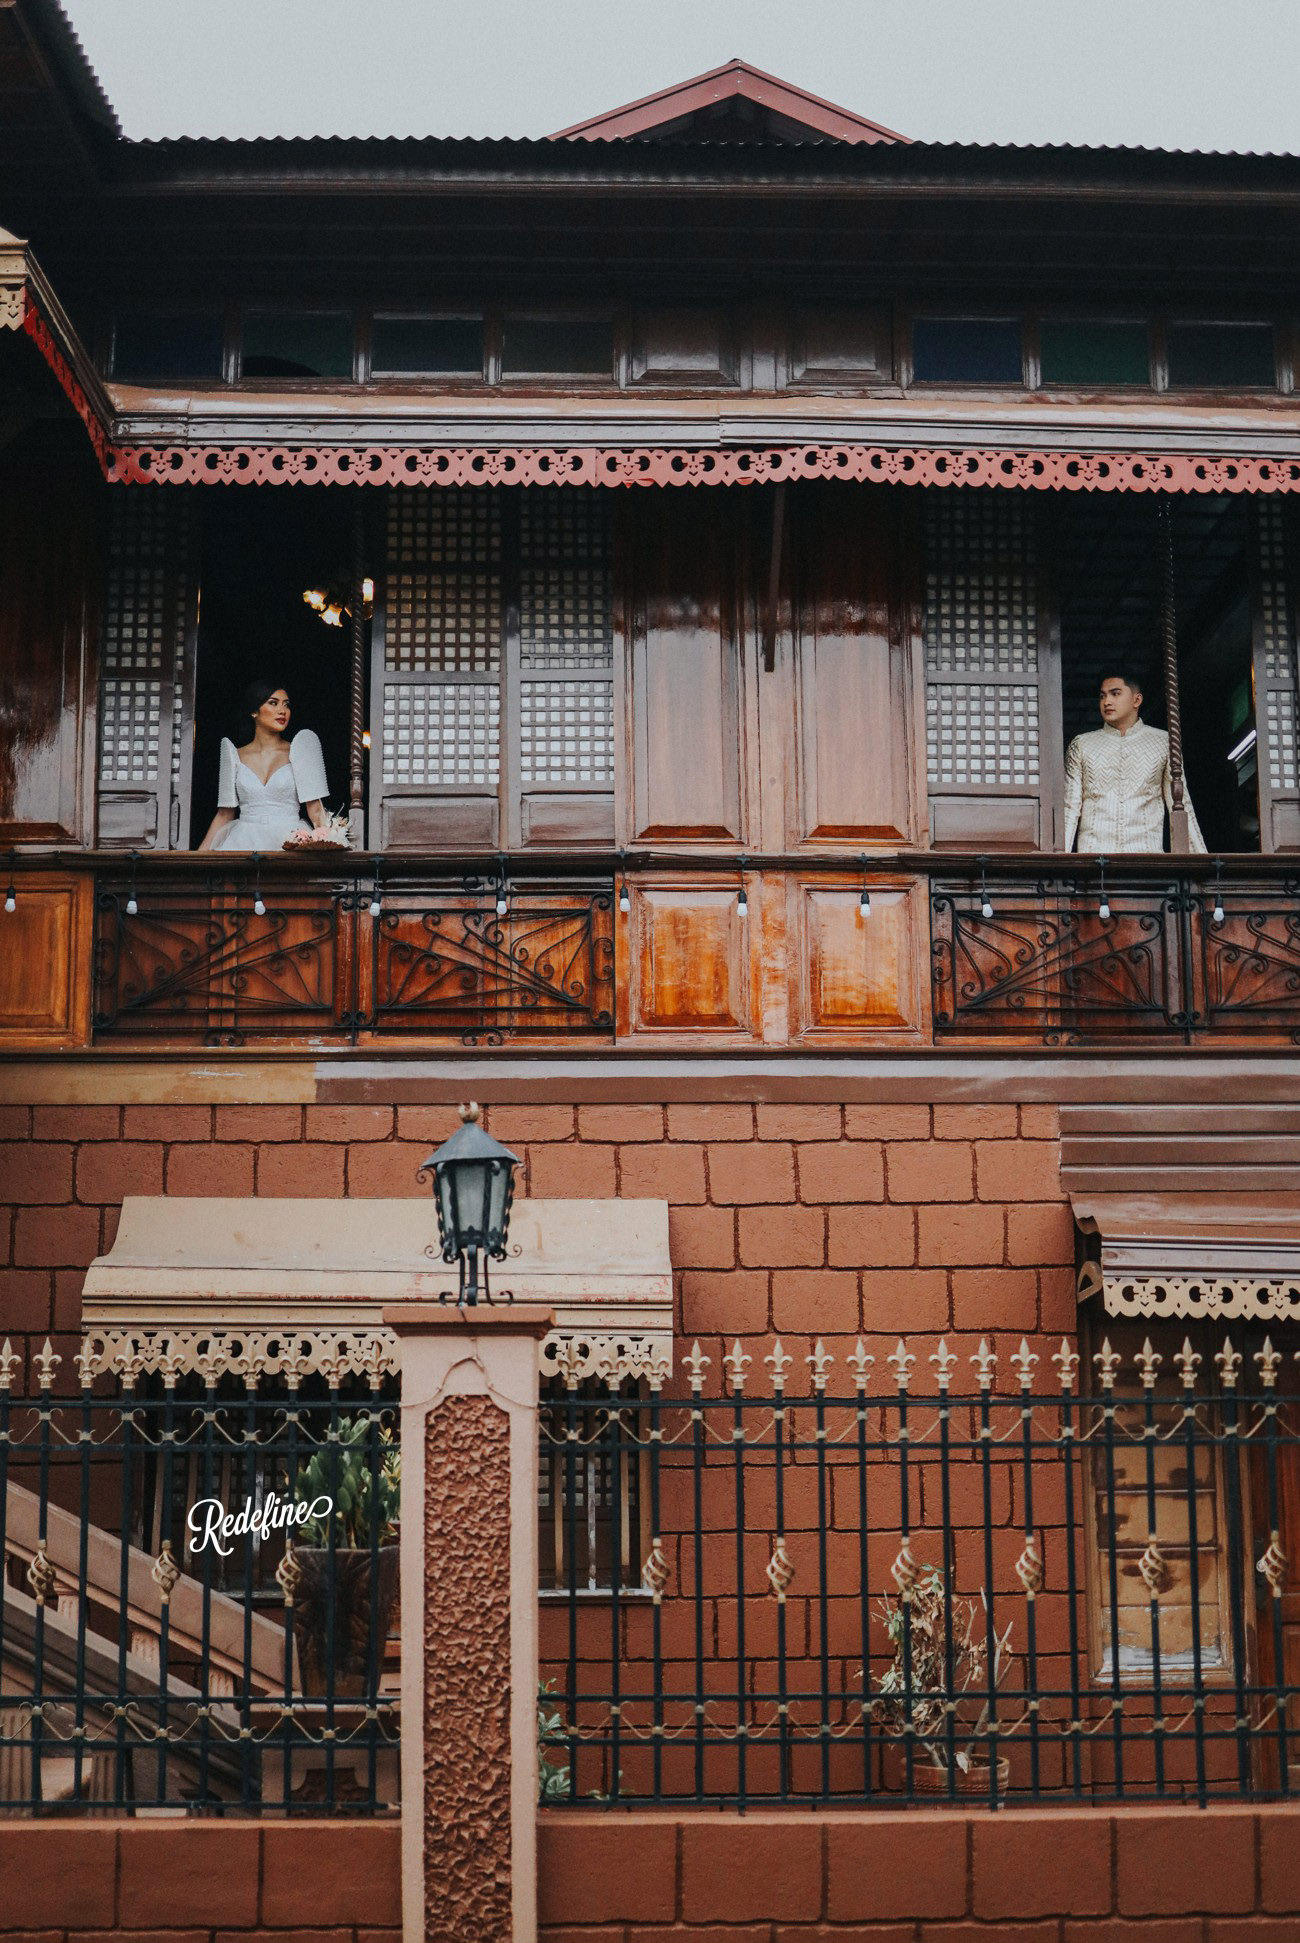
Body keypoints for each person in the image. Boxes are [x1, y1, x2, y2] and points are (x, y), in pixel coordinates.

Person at [1063, 669, 1206, 854]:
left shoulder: (1164, 742)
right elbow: (1070, 807)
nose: (1107, 702)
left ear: (1136, 700)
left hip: (1147, 862)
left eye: (1115, 694)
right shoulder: (1082, 744)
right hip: (1093, 860)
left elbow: (1179, 803)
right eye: (1102, 696)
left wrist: (1201, 863)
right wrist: (1061, 862)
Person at [197, 678, 331, 852]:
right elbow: (224, 814)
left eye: (286, 705)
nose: (282, 711)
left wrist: (330, 842)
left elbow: (315, 810)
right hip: (243, 840)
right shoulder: (234, 755)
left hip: (290, 839)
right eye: (273, 703)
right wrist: (196, 861)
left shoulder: (300, 751)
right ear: (254, 711)